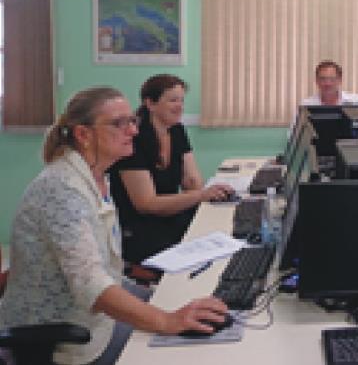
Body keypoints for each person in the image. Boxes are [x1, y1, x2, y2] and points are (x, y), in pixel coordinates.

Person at [0, 88, 228, 365]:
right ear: (83, 135)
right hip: (66, 338)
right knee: (181, 352)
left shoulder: (96, 177)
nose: (133, 130)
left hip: (96, 320)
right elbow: (91, 286)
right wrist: (165, 319)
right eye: (119, 123)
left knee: (193, 322)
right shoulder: (62, 189)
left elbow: (105, 269)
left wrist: (162, 304)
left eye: (132, 121)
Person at [109, 75, 232, 273]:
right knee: (205, 254)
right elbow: (147, 204)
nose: (180, 106)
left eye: (182, 100)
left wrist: (203, 192)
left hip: (169, 215)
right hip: (141, 227)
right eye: (173, 100)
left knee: (219, 232)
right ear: (150, 103)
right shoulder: (135, 139)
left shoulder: (176, 131)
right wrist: (199, 195)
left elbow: (192, 181)